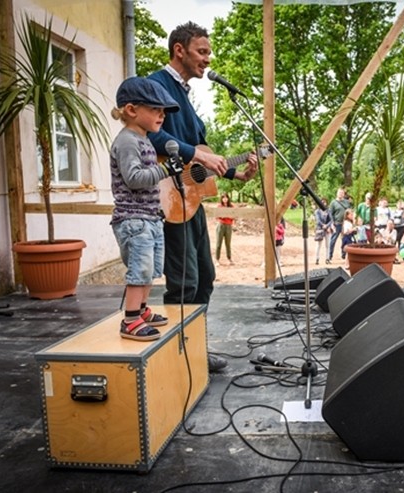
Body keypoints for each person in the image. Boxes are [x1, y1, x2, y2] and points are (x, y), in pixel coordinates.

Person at [147, 22, 258, 370]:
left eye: (208, 52)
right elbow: (149, 136)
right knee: (183, 282)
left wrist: (235, 172)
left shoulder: (185, 96)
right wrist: (198, 156)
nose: (208, 59)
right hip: (168, 200)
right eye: (202, 51)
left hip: (190, 203)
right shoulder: (155, 86)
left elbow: (200, 157)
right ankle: (174, 356)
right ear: (179, 50)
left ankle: (193, 347)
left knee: (205, 277)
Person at [109, 77, 180, 341]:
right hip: (133, 219)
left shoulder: (144, 140)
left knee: (150, 269)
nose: (161, 115)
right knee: (139, 270)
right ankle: (130, 321)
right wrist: (164, 170)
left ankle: (141, 311)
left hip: (150, 217)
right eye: (155, 109)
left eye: (163, 111)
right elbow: (134, 178)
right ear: (131, 110)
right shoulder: (128, 141)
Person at [328, 187, 351, 262]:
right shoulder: (333, 203)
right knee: (333, 239)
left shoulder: (347, 202)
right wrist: (332, 223)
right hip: (337, 223)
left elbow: (349, 211)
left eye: (342, 193)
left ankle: (344, 254)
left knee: (345, 239)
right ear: (337, 193)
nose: (341, 194)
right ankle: (330, 255)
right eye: (339, 193)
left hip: (345, 224)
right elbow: (330, 214)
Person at [215, 193, 235, 266]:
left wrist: (226, 216)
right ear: (221, 199)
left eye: (226, 197)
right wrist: (224, 216)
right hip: (221, 225)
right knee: (218, 243)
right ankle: (217, 259)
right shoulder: (219, 206)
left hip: (229, 226)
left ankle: (229, 258)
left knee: (228, 243)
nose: (225, 199)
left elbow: (233, 216)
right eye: (223, 198)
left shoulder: (231, 206)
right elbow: (217, 216)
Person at [314, 198, 333, 265]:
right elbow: (318, 220)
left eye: (324, 202)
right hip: (320, 229)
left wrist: (327, 226)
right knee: (319, 244)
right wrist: (323, 226)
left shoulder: (328, 211)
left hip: (327, 230)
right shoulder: (317, 211)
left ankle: (327, 258)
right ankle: (317, 258)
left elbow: (331, 220)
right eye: (322, 202)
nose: (323, 203)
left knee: (328, 245)